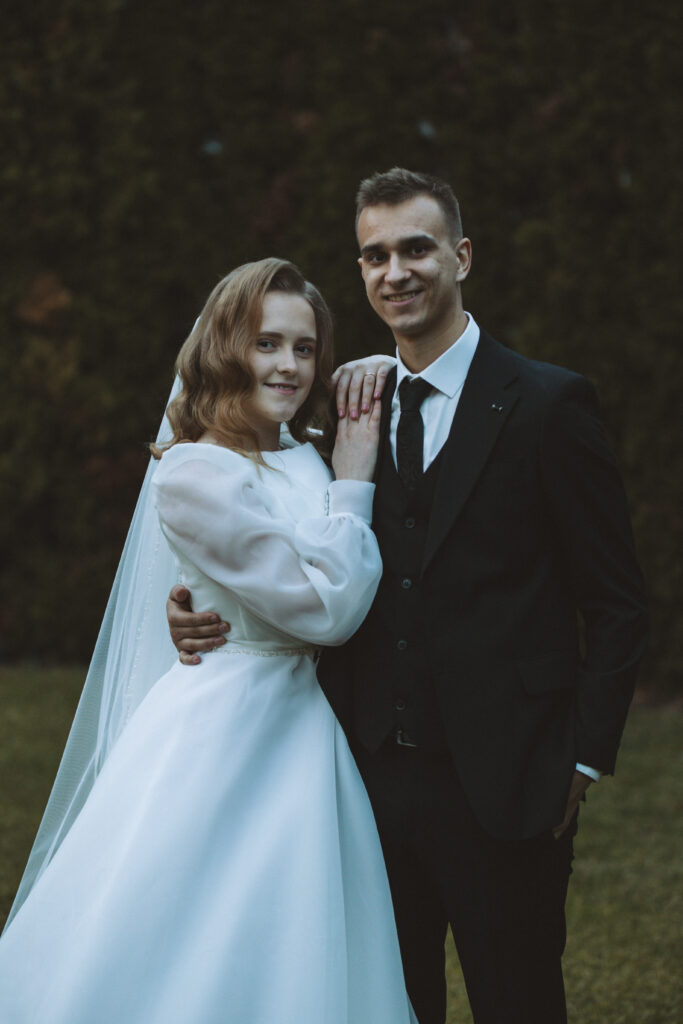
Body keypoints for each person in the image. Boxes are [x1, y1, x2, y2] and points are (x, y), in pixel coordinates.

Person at [169, 170, 649, 1023]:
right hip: (361, 781)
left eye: (416, 249)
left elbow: (616, 602)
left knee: (519, 1001)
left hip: (507, 779)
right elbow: (271, 532)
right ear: (360, 270)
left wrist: (580, 760)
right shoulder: (341, 411)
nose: (396, 271)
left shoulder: (546, 404)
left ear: (460, 257)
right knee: (386, 1004)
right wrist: (192, 603)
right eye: (375, 255)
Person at [0, 258, 417, 1024]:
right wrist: (353, 483)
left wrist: (367, 382)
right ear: (225, 348)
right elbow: (327, 611)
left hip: (304, 725)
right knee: (188, 927)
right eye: (265, 343)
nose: (288, 365)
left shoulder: (304, 450)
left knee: (294, 930)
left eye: (304, 347)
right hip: (226, 725)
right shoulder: (195, 472)